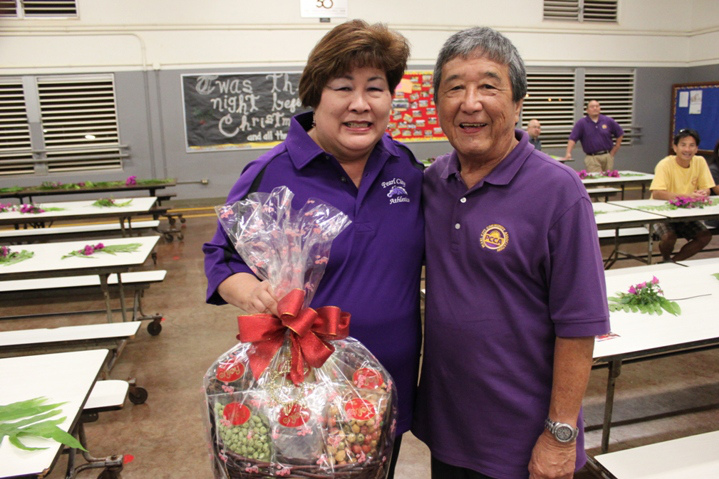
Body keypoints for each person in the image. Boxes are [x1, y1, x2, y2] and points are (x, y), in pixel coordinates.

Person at [202, 20, 424, 478]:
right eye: (343, 88)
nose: (360, 104)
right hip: (301, 394)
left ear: (390, 98)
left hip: (386, 385)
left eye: (375, 88)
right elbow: (221, 258)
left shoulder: (405, 167)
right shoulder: (272, 172)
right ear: (315, 97)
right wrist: (251, 292)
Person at [412, 26, 610, 479]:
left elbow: (579, 325)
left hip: (523, 439)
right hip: (448, 429)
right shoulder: (433, 183)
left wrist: (560, 434)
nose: (470, 103)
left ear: (518, 103)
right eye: (454, 88)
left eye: (488, 86)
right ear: (438, 103)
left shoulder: (559, 192)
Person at [649, 129, 718, 262]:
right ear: (675, 147)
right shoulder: (665, 164)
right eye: (683, 145)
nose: (687, 149)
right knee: (669, 237)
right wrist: (687, 197)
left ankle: (672, 263)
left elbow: (707, 188)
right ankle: (666, 259)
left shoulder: (700, 161)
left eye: (691, 145)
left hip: (685, 213)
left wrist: (703, 193)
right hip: (660, 213)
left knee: (704, 236)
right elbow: (657, 193)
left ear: (696, 149)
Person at [563, 100, 624, 172]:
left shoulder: (608, 120)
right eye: (592, 107)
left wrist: (616, 148)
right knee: (597, 178)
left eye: (597, 106)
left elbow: (619, 133)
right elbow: (572, 139)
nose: (595, 108)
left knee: (608, 178)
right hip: (592, 158)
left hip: (607, 156)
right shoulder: (582, 123)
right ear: (587, 110)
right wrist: (568, 153)